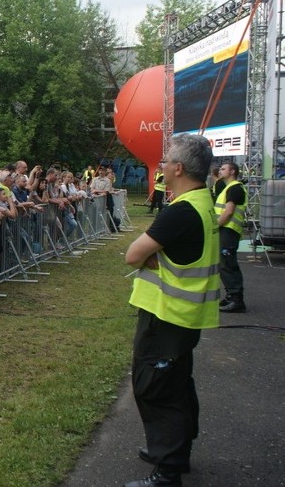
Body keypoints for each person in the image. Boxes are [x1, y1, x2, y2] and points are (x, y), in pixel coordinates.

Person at [123, 134, 219, 487]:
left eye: (165, 161)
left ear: (178, 168)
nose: (161, 165)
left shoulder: (181, 211)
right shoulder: (201, 201)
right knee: (176, 384)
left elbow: (133, 254)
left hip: (168, 314)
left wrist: (149, 258)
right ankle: (174, 450)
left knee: (156, 388)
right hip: (180, 315)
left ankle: (167, 471)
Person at [214, 162, 247, 313]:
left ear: (232, 171)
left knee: (228, 263)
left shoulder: (235, 188)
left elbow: (228, 212)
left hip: (228, 230)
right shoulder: (228, 188)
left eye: (223, 169)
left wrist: (214, 227)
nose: (220, 171)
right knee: (224, 263)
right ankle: (230, 295)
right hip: (226, 230)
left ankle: (236, 299)